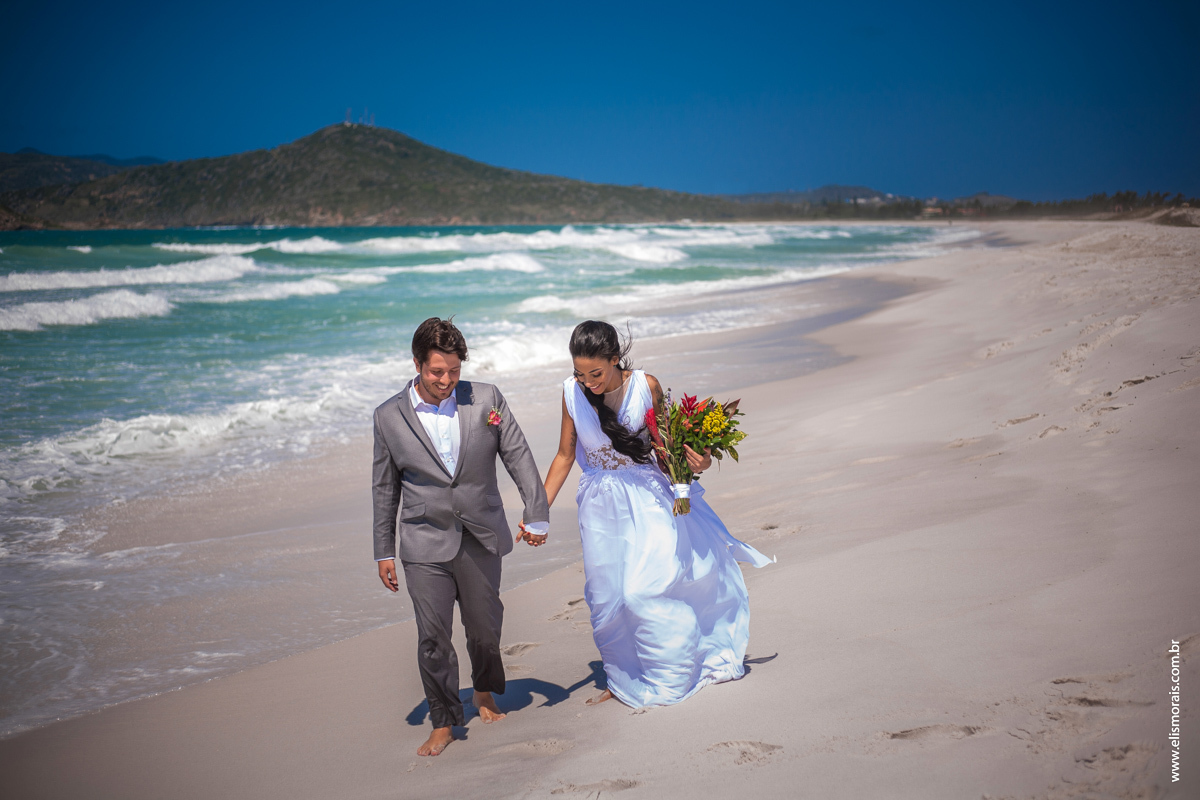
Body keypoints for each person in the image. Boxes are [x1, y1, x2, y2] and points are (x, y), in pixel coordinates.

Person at [533, 320, 772, 708]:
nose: (588, 382)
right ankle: (620, 676)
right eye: (580, 373)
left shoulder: (647, 386)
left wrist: (699, 463)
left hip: (649, 498)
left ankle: (676, 670)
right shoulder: (571, 393)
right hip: (600, 506)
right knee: (607, 597)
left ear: (615, 360)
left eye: (596, 373)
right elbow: (564, 455)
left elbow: (668, 449)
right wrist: (536, 510)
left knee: (645, 588)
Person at [373, 317, 550, 756]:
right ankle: (444, 719)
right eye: (437, 372)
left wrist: (536, 511)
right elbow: (384, 488)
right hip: (422, 540)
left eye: (454, 371)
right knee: (433, 636)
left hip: (480, 534)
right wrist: (383, 550)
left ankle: (485, 691)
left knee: (484, 628)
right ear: (416, 364)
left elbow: (517, 453)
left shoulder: (486, 398)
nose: (447, 381)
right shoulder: (387, 416)